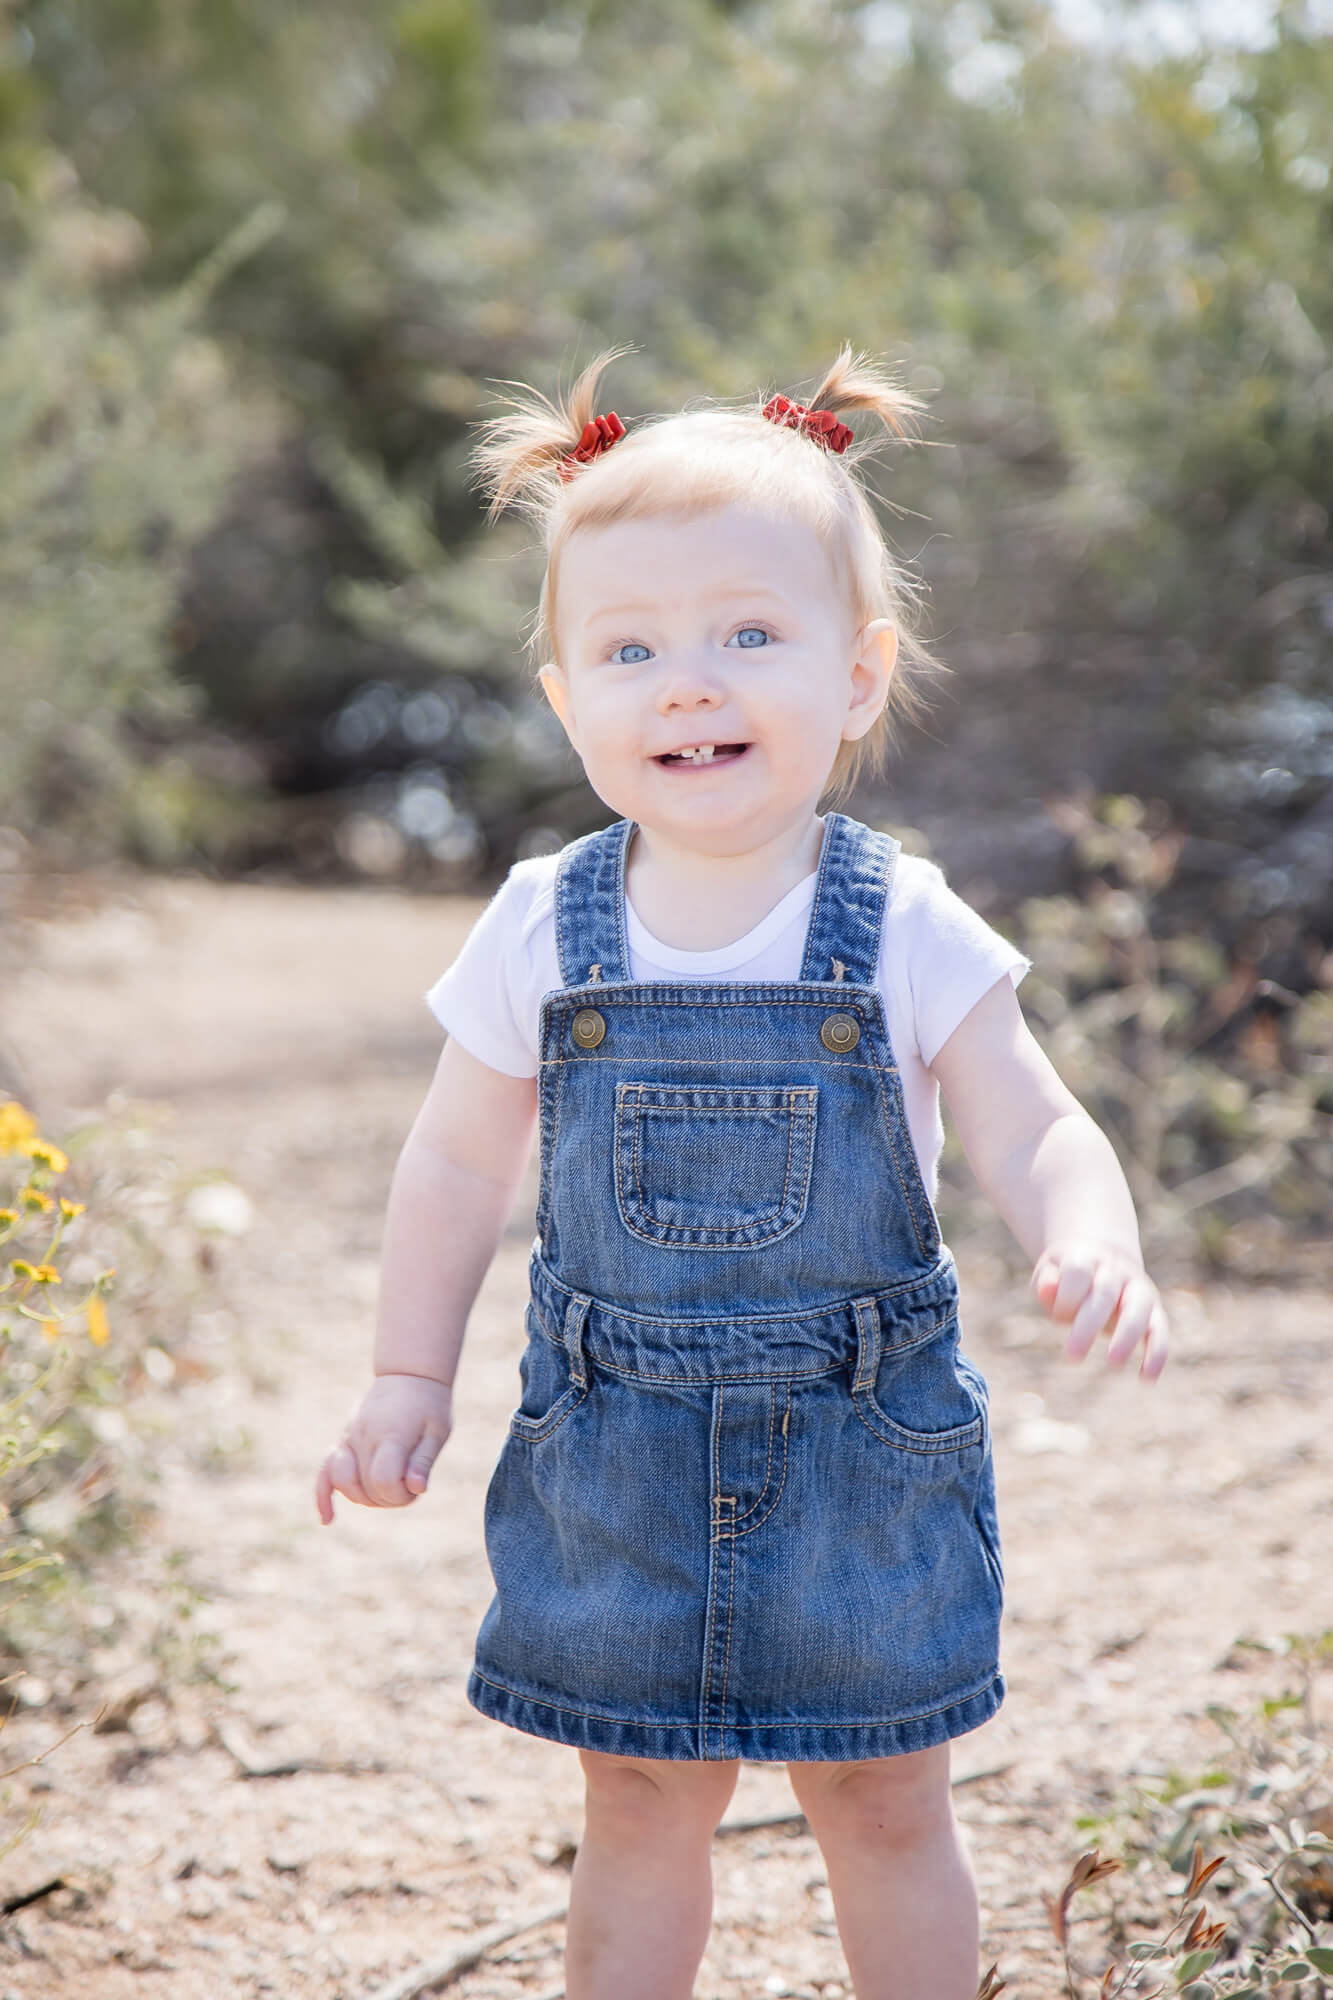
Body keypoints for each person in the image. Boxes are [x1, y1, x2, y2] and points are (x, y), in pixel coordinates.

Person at [314, 348, 1170, 2000]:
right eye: (628, 650)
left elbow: (1031, 1118)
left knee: (884, 1799)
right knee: (635, 1799)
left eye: (745, 635)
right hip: (614, 1452)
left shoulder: (901, 917)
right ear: (566, 700)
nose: (686, 685)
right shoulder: (542, 920)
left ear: (860, 675)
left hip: (865, 1454)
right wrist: (405, 1372)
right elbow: (448, 1163)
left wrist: (1094, 1236)